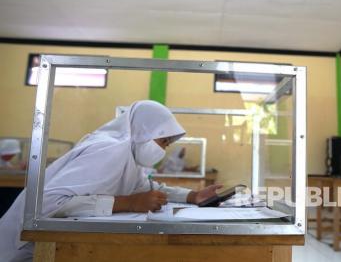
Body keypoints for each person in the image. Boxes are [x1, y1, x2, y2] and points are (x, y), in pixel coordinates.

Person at [0, 100, 222, 261]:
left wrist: (192, 196)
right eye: (163, 141)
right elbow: (47, 203)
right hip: (21, 250)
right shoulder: (110, 149)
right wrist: (129, 203)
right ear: (144, 131)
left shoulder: (131, 156)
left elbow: (149, 188)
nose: (163, 150)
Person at [0, 139, 26, 218]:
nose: (13, 156)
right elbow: (5, 170)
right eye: (12, 154)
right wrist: (20, 168)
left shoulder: (6, 162)